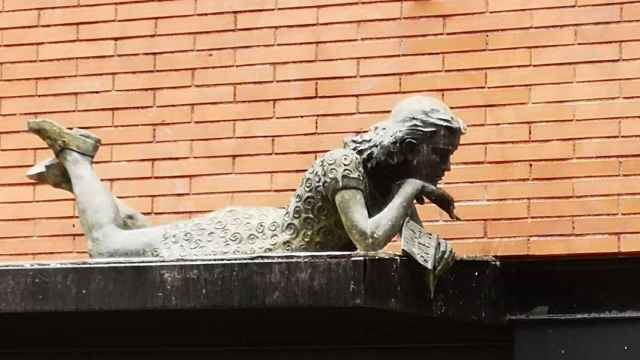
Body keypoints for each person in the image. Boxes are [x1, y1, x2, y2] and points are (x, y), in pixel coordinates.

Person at [27, 96, 465, 265]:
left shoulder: (388, 179)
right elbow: (368, 240)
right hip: (255, 243)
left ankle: (77, 184)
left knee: (146, 237)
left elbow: (414, 249)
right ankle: (79, 158)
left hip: (257, 228)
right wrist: (412, 191)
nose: (445, 166)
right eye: (441, 154)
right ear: (410, 147)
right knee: (109, 246)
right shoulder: (345, 167)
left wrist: (436, 254)